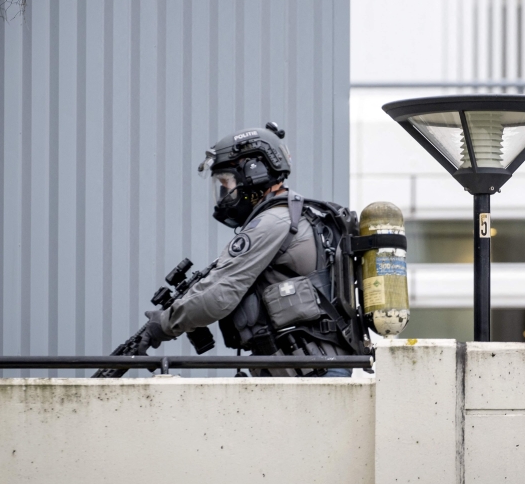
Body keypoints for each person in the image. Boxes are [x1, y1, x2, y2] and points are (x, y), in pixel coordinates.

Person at [135, 122, 359, 376]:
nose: (223, 193)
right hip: (312, 372)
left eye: (226, 183)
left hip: (312, 376)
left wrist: (162, 325)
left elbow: (218, 294)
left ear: (255, 172)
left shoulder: (273, 222)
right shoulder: (291, 217)